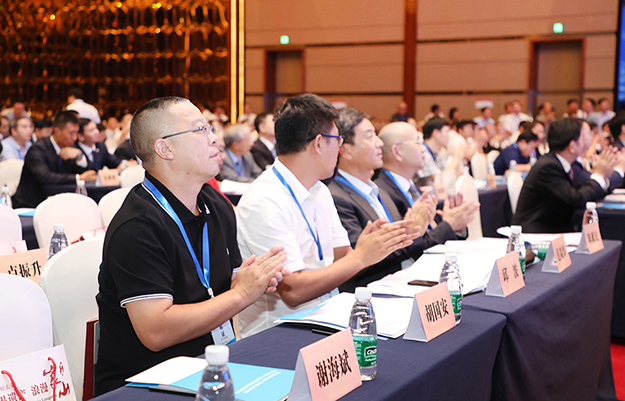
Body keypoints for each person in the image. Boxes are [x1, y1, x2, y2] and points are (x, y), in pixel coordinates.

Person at [95, 97, 287, 395]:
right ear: (165, 149)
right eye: (200, 130)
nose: (215, 139)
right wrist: (241, 294)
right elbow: (155, 331)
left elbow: (221, 282)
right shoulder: (137, 226)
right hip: (146, 383)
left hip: (210, 365)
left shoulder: (215, 205)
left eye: (210, 128)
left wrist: (254, 278)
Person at [235, 94, 418, 337]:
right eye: (338, 140)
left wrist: (374, 247)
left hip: (326, 319)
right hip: (280, 334)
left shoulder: (319, 189)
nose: (340, 149)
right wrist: (361, 257)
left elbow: (343, 256)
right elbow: (293, 291)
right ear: (319, 143)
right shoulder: (264, 200)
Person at [512, 118, 621, 233]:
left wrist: (603, 175)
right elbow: (578, 200)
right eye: (587, 135)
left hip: (556, 230)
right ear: (572, 146)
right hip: (538, 233)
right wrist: (599, 174)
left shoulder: (565, 163)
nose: (592, 138)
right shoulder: (548, 167)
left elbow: (586, 189)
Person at [375, 121, 479, 226]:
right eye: (417, 143)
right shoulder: (383, 194)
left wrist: (453, 224)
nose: (423, 148)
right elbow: (418, 235)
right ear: (397, 151)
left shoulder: (410, 186)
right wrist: (449, 225)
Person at [12, 111, 97, 208]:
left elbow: (90, 173)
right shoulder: (38, 148)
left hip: (62, 203)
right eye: (71, 133)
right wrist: (78, 178)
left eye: (76, 133)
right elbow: (45, 177)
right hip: (30, 204)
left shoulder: (72, 148)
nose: (74, 137)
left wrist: (80, 156)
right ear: (57, 131)